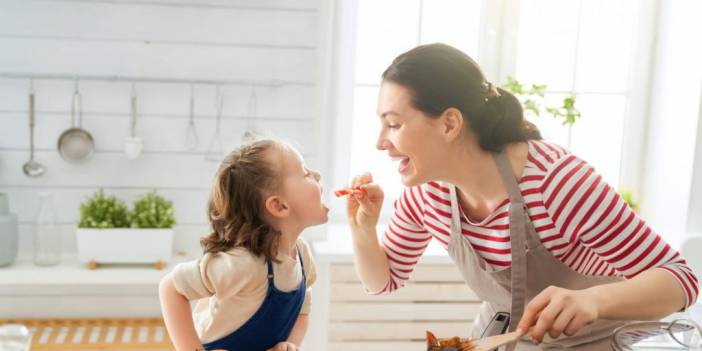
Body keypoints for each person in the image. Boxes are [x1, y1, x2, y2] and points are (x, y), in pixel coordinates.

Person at [345, 43, 698, 349]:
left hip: (596, 343)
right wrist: (363, 230)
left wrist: (592, 300)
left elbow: (681, 281)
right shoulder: (427, 196)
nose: (380, 142)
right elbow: (384, 280)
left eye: (393, 124)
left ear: (450, 124)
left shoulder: (557, 184)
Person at [159, 139, 326, 351]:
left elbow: (302, 310)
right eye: (305, 173)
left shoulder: (301, 256)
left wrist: (289, 345)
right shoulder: (243, 265)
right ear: (279, 205)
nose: (317, 175)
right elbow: (171, 287)